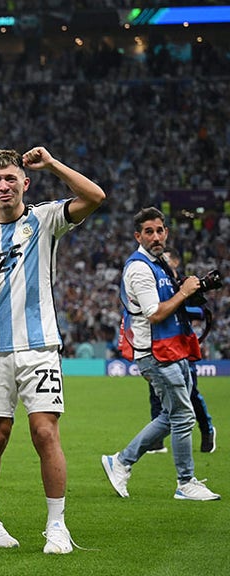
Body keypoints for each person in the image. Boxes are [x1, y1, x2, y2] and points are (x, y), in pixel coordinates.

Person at [0, 147, 104, 553]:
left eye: (11, 178)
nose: (4, 185)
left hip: (39, 345)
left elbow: (95, 197)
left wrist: (53, 164)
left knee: (45, 432)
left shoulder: (45, 219)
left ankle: (57, 526)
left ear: (25, 183)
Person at [101, 207, 221, 502]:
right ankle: (185, 482)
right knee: (182, 416)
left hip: (173, 348)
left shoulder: (159, 264)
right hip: (156, 353)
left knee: (172, 415)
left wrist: (195, 288)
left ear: (166, 232)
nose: (156, 236)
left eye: (159, 230)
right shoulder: (140, 268)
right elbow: (155, 314)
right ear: (138, 236)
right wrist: (184, 292)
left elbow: (172, 302)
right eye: (149, 232)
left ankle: (121, 461)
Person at [142, 249, 217, 454]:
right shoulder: (155, 283)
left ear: (175, 261)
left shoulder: (185, 283)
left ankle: (207, 430)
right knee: (156, 393)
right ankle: (157, 441)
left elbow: (202, 311)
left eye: (166, 258)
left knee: (191, 393)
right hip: (159, 345)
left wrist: (177, 307)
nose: (161, 262)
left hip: (182, 346)